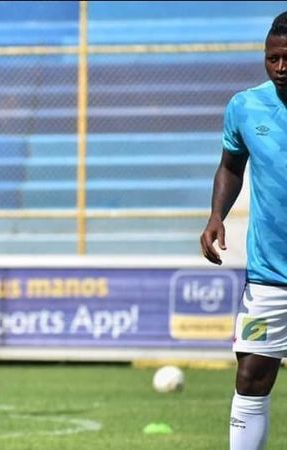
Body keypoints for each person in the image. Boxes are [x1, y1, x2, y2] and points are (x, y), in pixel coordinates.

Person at [199, 11, 287, 450]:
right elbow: (231, 166)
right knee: (251, 375)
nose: (280, 67)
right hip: (269, 275)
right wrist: (217, 215)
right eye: (272, 58)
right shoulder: (245, 106)